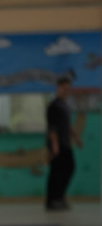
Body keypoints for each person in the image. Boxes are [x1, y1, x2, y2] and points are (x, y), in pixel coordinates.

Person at [46, 77, 79, 211]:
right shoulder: (54, 106)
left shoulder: (64, 105)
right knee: (56, 172)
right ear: (58, 88)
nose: (67, 91)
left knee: (68, 168)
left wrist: (76, 137)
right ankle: (52, 200)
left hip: (65, 143)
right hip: (57, 145)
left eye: (68, 89)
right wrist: (55, 145)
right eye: (64, 88)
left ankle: (59, 196)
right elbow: (52, 127)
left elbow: (67, 124)